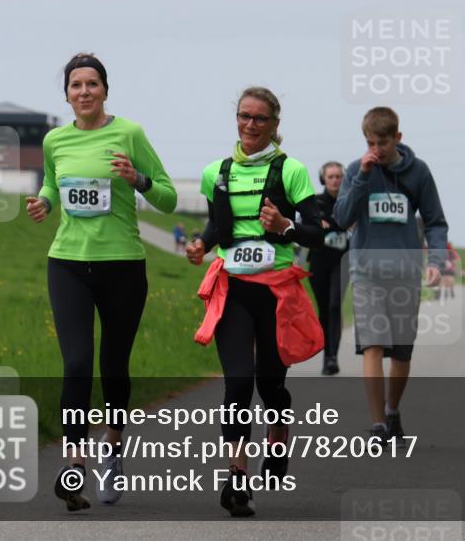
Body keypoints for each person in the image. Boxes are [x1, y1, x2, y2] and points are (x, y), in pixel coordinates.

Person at [25, 53, 177, 510]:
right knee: (75, 364)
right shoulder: (55, 140)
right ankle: (73, 466)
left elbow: (168, 198)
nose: (84, 92)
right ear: (67, 94)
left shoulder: (129, 134)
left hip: (123, 265)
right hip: (68, 262)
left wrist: (140, 179)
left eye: (92, 84)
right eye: (76, 85)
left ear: (106, 91)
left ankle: (111, 450)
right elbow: (53, 183)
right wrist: (45, 203)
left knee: (113, 367)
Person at [186, 87, 324, 517]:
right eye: (244, 116)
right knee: (239, 382)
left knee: (270, 384)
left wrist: (285, 226)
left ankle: (278, 441)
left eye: (259, 119)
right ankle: (237, 478)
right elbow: (216, 223)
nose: (250, 125)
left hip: (276, 292)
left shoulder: (292, 171)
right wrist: (201, 244)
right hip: (233, 288)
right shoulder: (217, 171)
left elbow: (319, 230)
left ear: (274, 125)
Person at [334, 107, 448, 445]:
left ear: (398, 138)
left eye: (382, 142)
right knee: (372, 344)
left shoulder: (418, 173)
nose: (376, 149)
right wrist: (361, 177)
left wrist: (436, 262)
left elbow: (435, 221)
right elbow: (341, 218)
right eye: (370, 142)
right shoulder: (357, 170)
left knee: (401, 353)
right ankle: (378, 426)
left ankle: (392, 410)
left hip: (406, 274)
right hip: (366, 272)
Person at [308, 161, 349, 375]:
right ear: (323, 179)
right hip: (318, 262)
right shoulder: (315, 202)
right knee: (323, 311)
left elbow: (346, 223)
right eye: (331, 177)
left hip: (342, 262)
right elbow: (310, 225)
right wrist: (333, 223)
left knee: (335, 306)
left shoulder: (348, 202)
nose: (335, 180)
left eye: (338, 176)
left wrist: (329, 223)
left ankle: (333, 356)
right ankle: (327, 357)